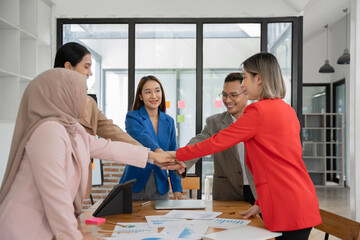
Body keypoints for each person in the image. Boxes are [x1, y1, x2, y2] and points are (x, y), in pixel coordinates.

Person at [0, 69, 176, 239]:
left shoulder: (73, 129)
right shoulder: (48, 132)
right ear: (64, 95)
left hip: (48, 228)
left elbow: (108, 148)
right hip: (25, 230)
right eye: (82, 93)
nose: (88, 101)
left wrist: (152, 157)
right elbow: (55, 197)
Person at [168, 53, 321, 239]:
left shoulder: (257, 111)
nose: (243, 84)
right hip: (300, 199)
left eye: (246, 77)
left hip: (286, 204)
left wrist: (177, 155)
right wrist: (261, 202)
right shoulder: (286, 109)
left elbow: (218, 141)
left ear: (259, 79)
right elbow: (279, 163)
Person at [54, 42, 143, 198]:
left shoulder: (89, 103)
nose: (90, 73)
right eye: (86, 67)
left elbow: (112, 131)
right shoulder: (49, 101)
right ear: (68, 67)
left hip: (79, 184)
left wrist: (145, 152)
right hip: (57, 180)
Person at [178, 73, 256, 203]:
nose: (227, 100)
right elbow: (199, 142)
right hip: (227, 191)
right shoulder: (215, 122)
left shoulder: (258, 120)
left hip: (258, 191)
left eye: (233, 95)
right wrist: (181, 161)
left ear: (246, 94)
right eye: (224, 95)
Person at [120, 76, 183, 200]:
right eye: (148, 92)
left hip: (160, 186)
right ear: (140, 96)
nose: (154, 96)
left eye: (157, 91)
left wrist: (177, 189)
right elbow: (142, 136)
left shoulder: (169, 121)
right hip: (135, 183)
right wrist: (159, 152)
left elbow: (173, 153)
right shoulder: (132, 117)